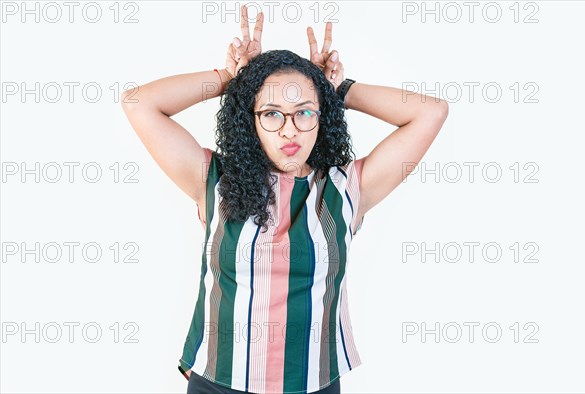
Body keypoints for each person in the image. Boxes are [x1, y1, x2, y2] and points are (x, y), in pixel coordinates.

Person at [121, 5, 448, 394]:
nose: (289, 128)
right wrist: (230, 79)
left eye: (304, 111)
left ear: (322, 115)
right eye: (271, 113)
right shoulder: (215, 181)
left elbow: (432, 113)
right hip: (219, 383)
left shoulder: (346, 189)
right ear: (252, 119)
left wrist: (339, 89)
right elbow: (138, 103)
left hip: (312, 384)